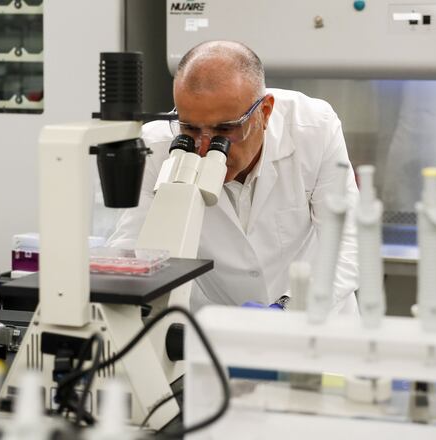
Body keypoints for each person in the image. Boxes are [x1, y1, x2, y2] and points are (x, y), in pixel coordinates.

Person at [107, 40, 358, 313]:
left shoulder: (313, 127)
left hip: (315, 318)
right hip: (213, 325)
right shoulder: (157, 147)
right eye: (189, 129)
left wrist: (288, 309)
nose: (205, 148)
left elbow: (346, 243)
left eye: (225, 130)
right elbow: (132, 250)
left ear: (264, 112)